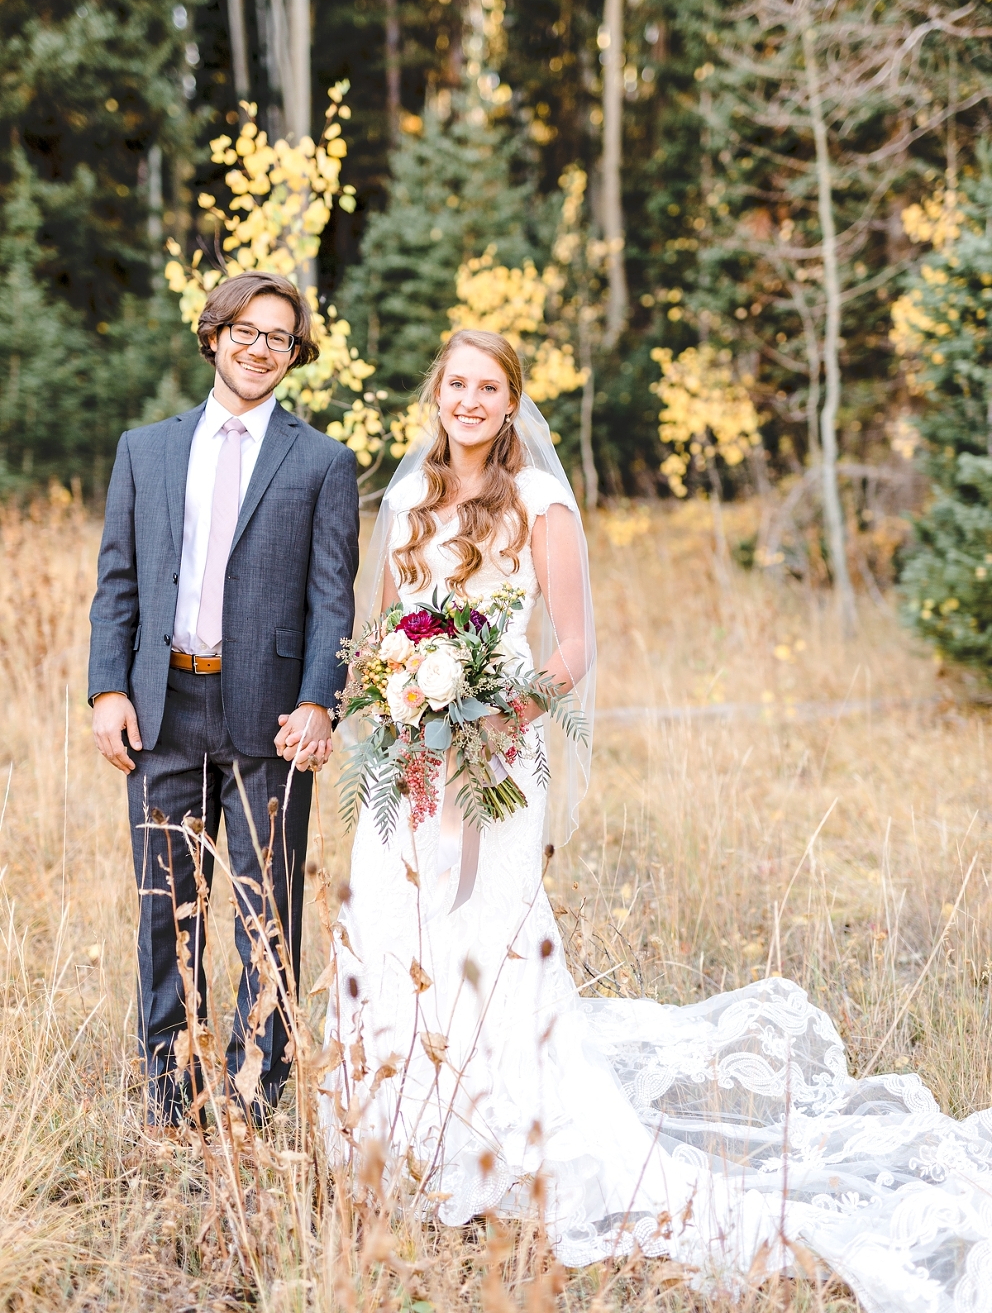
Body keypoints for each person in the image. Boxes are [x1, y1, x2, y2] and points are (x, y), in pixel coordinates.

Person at [323, 329, 992, 1311]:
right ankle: (408, 1144)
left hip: (497, 758)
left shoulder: (540, 504)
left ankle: (507, 1152)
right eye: (454, 384)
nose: (467, 401)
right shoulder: (408, 500)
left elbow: (572, 645)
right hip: (407, 763)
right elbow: (384, 635)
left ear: (510, 403)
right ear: (436, 394)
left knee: (489, 938)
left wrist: (484, 722)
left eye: (487, 387)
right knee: (393, 922)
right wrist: (404, 715)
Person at [89, 270, 359, 1129]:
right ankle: (170, 1093)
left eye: (279, 337)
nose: (260, 348)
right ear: (214, 335)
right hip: (161, 709)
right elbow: (118, 583)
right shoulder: (147, 450)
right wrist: (106, 689)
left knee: (263, 912)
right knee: (166, 914)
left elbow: (333, 602)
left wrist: (320, 701)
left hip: (270, 720)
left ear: (294, 354)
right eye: (246, 329)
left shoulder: (321, 462)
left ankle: (257, 1092)